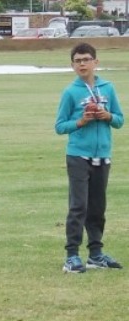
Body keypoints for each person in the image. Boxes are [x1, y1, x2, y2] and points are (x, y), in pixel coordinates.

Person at [55, 43, 124, 273]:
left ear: (96, 62)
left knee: (97, 207)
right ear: (72, 65)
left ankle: (96, 254)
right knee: (78, 206)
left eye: (86, 59)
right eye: (77, 60)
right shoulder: (70, 92)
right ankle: (72, 256)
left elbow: (120, 120)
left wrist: (107, 115)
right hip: (78, 155)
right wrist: (80, 122)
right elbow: (59, 126)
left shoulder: (108, 88)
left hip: (103, 155)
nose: (82, 63)